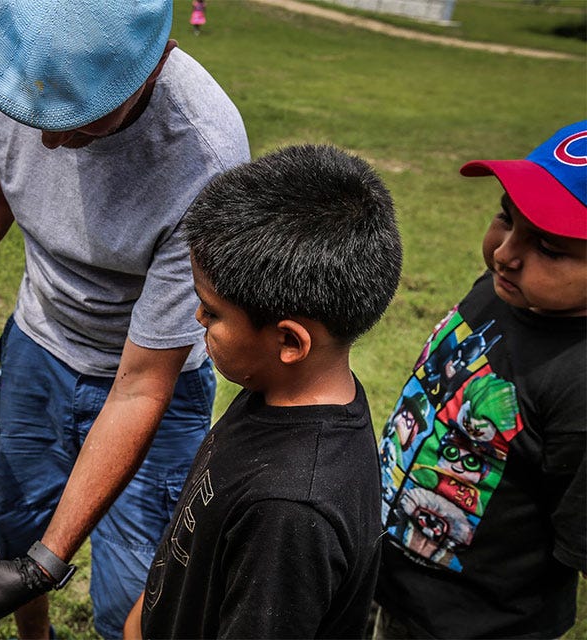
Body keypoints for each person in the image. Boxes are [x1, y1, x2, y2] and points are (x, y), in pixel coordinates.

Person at [0, 0, 250, 637]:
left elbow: (143, 384)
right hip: (40, 346)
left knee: (138, 596)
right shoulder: (12, 72)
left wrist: (46, 565)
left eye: (82, 121)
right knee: (6, 531)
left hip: (148, 383)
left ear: (151, 66)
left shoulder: (204, 155)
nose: (52, 141)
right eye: (34, 118)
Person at [123, 143, 404, 638]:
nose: (198, 318)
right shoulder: (278, 389)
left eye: (212, 311)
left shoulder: (290, 514)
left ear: (290, 341)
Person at [373, 121, 587, 639]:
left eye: (551, 249)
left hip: (475, 626)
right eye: (505, 218)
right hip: (392, 582)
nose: (505, 253)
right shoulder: (503, 289)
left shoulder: (579, 388)